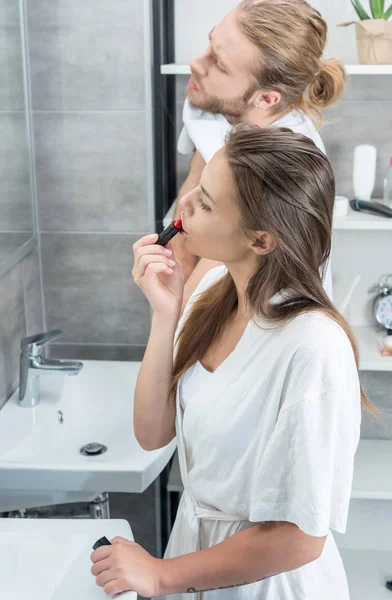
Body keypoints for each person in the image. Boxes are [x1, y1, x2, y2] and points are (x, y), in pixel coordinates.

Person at [90, 125, 379, 599]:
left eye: (205, 203)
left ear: (261, 239)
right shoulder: (212, 290)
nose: (184, 208)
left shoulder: (313, 348)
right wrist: (165, 316)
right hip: (197, 559)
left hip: (269, 584)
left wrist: (160, 575)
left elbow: (301, 538)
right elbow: (151, 432)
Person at [172, 0, 346, 309]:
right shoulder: (226, 109)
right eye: (210, 43)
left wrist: (167, 319)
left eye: (219, 64)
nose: (196, 63)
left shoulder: (275, 171)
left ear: (266, 98)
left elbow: (194, 302)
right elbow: (195, 182)